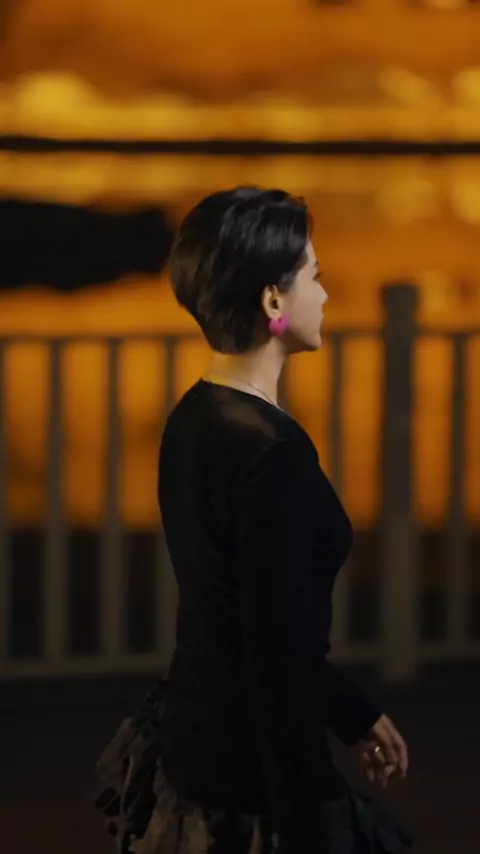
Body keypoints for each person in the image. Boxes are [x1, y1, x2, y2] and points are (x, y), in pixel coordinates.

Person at [95, 187, 413, 854]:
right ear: (273, 302)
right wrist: (305, 819)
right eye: (314, 277)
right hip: (250, 773)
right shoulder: (275, 455)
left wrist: (351, 710)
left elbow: (237, 613)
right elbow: (275, 658)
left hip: (192, 739)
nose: (325, 294)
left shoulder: (193, 417)